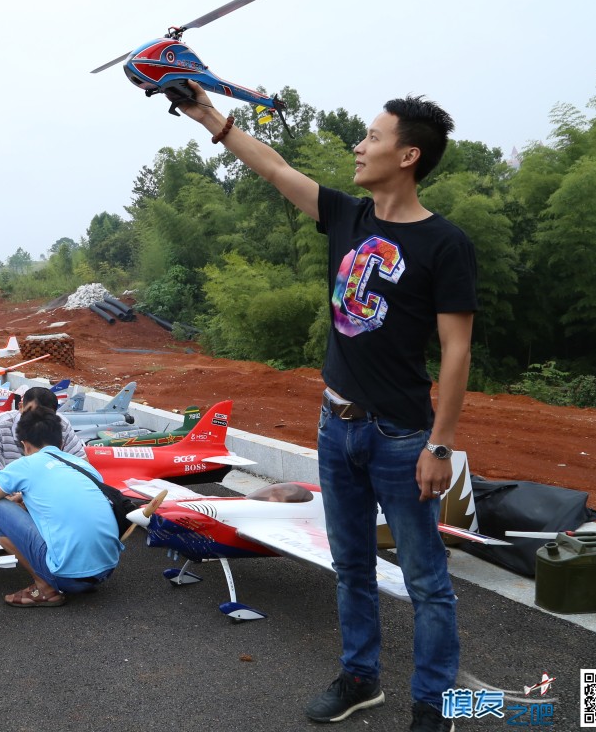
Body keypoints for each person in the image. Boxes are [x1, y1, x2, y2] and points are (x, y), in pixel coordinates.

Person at [176, 83, 475, 732]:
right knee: (351, 564)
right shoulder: (347, 215)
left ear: (408, 156)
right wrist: (206, 114)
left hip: (401, 438)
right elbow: (276, 167)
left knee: (426, 579)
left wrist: (441, 445)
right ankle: (360, 678)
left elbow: (456, 352)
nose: (358, 146)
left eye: (372, 137)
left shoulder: (445, 245)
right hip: (335, 428)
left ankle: (434, 705)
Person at [0, 410, 122, 607]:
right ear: (62, 444)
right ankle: (71, 574)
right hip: (105, 571)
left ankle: (45, 587)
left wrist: (13, 508)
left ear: (25, 445)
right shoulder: (84, 467)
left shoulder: (25, 464)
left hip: (67, 578)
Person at [0, 386, 85, 485]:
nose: (36, 420)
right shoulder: (2, 423)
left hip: (46, 490)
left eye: (45, 416)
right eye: (32, 413)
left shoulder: (62, 426)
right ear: (20, 407)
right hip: (9, 486)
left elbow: (82, 463)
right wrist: (1, 491)